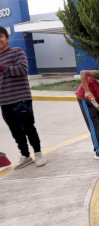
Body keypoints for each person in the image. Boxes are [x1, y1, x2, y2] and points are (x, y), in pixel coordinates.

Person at [0, 26, 46, 169]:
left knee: (28, 127)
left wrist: (2, 67)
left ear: (6, 38)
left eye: (0, 36)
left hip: (21, 98)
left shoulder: (17, 52)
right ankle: (25, 155)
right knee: (15, 130)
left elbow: (22, 70)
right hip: (4, 100)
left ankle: (38, 153)